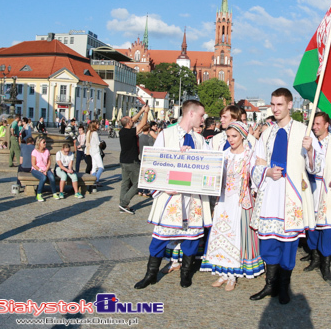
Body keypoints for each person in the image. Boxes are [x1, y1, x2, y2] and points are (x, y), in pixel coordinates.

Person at [249, 88, 320, 305]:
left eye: (280, 104)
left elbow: (316, 168)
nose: (275, 108)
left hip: (292, 196)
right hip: (271, 193)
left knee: (288, 243)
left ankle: (283, 286)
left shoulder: (303, 131)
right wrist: (267, 172)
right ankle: (270, 284)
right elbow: (256, 163)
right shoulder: (268, 132)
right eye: (273, 104)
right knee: (269, 241)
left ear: (289, 105)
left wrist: (309, 151)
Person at [134, 100, 211, 290]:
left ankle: (186, 273)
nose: (203, 119)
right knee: (160, 237)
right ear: (191, 114)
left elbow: (209, 166)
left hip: (192, 197)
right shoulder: (166, 135)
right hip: (172, 195)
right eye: (201, 115)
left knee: (192, 238)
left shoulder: (200, 140)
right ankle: (151, 274)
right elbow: (153, 163)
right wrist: (161, 186)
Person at [201, 121, 265, 291]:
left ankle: (233, 275)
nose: (231, 139)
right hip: (223, 199)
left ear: (243, 136)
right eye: (228, 136)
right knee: (222, 234)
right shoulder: (224, 154)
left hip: (240, 200)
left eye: (234, 136)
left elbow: (257, 178)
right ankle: (223, 271)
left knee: (236, 235)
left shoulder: (250, 155)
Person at [301, 113, 331, 281]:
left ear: (327, 124)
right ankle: (314, 258)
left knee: (327, 229)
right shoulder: (309, 142)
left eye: (318, 124)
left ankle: (326, 265)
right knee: (312, 228)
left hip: (329, 190)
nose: (314, 127)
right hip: (312, 189)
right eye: (313, 124)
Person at [118, 105, 149, 214]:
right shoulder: (130, 133)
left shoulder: (122, 131)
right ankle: (124, 203)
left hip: (123, 161)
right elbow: (142, 124)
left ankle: (123, 205)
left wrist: (141, 111)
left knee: (125, 184)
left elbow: (132, 121)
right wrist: (146, 113)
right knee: (138, 183)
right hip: (132, 161)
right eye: (131, 120)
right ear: (128, 123)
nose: (133, 120)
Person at [31, 135, 59, 202]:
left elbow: (49, 161)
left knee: (52, 177)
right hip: (36, 169)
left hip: (46, 168)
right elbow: (33, 164)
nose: (45, 143)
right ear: (39, 143)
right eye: (43, 142)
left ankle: (54, 193)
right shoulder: (34, 152)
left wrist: (46, 170)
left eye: (45, 142)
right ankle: (39, 194)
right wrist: (41, 170)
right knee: (43, 178)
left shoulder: (47, 151)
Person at [87, 121, 104, 186]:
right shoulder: (95, 133)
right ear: (95, 125)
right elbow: (98, 142)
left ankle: (92, 180)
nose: (98, 125)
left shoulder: (91, 132)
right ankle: (96, 180)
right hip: (96, 151)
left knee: (94, 167)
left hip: (92, 151)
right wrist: (102, 143)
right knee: (101, 167)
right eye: (98, 124)